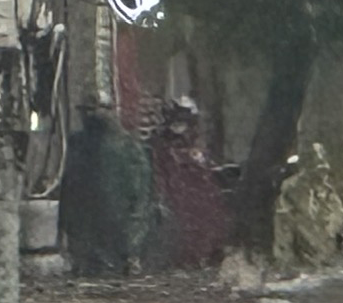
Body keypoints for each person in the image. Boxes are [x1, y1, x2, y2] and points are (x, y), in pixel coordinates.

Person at [58, 102, 156, 275]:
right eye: (87, 110)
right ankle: (100, 263)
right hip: (95, 210)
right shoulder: (80, 142)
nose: (91, 114)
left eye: (98, 109)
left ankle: (114, 262)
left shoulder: (126, 144)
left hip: (112, 210)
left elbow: (140, 182)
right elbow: (70, 180)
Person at [149, 97, 231, 269]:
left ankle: (204, 256)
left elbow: (204, 166)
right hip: (177, 196)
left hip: (197, 195)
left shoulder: (194, 142)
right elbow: (160, 171)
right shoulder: (161, 143)